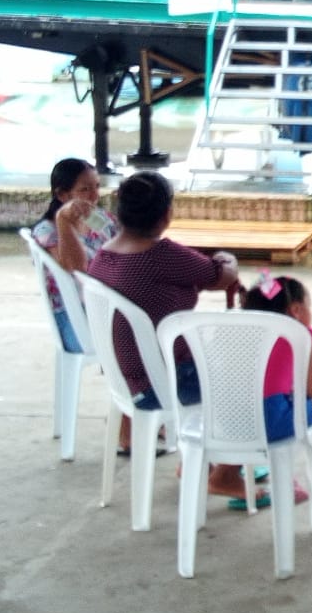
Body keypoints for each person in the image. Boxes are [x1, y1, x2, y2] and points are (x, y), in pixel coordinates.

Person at [85, 171, 246, 494]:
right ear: (166, 214)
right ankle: (225, 473)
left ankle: (197, 460)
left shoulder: (103, 257)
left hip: (128, 382)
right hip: (165, 383)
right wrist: (228, 258)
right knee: (250, 379)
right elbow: (221, 275)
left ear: (119, 213)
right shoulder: (161, 255)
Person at [239, 270, 312, 499]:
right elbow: (310, 390)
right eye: (309, 306)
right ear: (296, 310)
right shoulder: (301, 336)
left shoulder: (241, 331)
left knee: (255, 405)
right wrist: (311, 343)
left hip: (229, 422)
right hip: (270, 422)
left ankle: (226, 473)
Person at [31, 157, 117, 352]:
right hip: (76, 320)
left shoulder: (97, 218)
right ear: (62, 194)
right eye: (85, 189)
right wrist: (64, 220)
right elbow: (76, 268)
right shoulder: (47, 231)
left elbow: (123, 244)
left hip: (106, 307)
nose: (94, 196)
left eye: (97, 186)